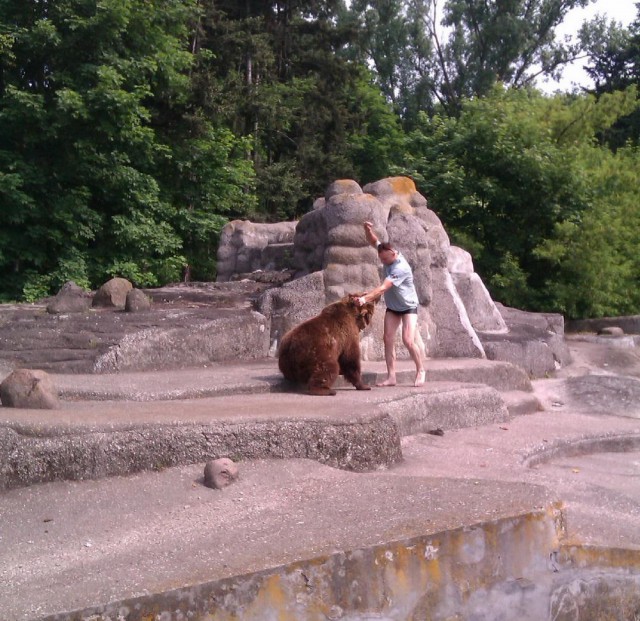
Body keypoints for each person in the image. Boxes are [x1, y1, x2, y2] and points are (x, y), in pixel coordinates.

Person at [355, 221, 425, 387]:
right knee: (388, 339)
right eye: (382, 259)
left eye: (386, 260)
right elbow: (374, 242)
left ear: (394, 254)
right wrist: (367, 230)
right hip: (393, 307)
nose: (384, 262)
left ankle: (421, 370)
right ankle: (391, 377)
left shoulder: (400, 268)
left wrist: (365, 299)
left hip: (408, 307)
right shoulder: (385, 251)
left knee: (408, 340)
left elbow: (383, 288)